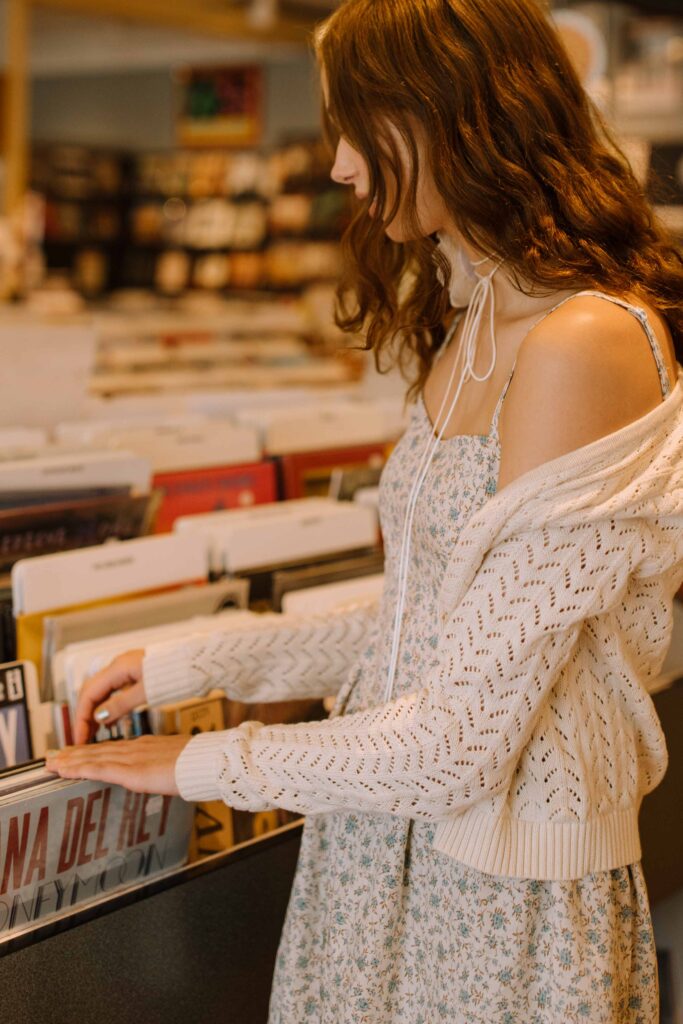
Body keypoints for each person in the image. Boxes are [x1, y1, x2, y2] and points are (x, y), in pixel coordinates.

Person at [46, 1, 683, 1021]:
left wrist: (198, 762)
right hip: (372, 847)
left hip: (492, 892)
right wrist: (204, 661)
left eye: (357, 125)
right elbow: (415, 632)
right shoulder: (471, 323)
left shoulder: (582, 343)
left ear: (452, 116)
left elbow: (456, 742)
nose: (339, 165)